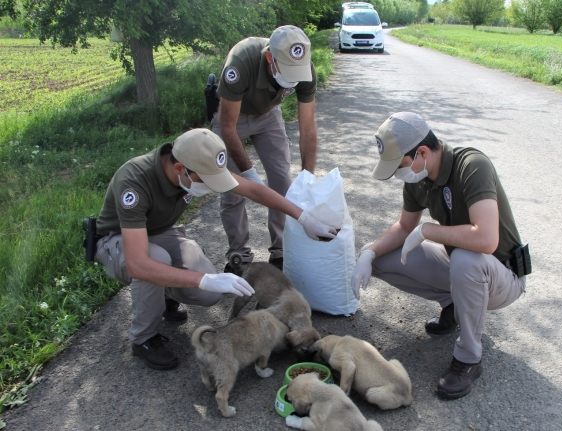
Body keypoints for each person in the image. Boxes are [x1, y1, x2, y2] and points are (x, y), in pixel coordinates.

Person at [95, 128, 337, 370]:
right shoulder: (134, 180)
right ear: (180, 169)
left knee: (209, 294)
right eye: (206, 181)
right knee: (156, 260)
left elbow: (253, 189)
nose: (211, 187)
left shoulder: (198, 163)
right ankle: (143, 338)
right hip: (117, 240)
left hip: (158, 231)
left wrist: (303, 217)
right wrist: (202, 279)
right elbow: (139, 264)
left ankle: (165, 295)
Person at [351, 112, 530, 399]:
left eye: (400, 166)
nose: (399, 173)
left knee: (466, 258)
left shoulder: (472, 165)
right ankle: (453, 305)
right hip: (462, 266)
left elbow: (485, 239)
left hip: (502, 276)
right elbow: (403, 227)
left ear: (422, 152)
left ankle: (469, 358)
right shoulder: (418, 177)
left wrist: (430, 232)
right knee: (384, 258)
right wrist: (368, 253)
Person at [211, 25, 319, 275]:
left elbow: (308, 128)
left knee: (283, 179)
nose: (294, 78)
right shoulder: (241, 62)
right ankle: (238, 254)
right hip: (233, 117)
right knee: (231, 187)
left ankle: (281, 250)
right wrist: (248, 173)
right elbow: (227, 128)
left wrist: (308, 176)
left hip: (269, 115)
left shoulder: (305, 68)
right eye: (287, 70)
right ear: (270, 58)